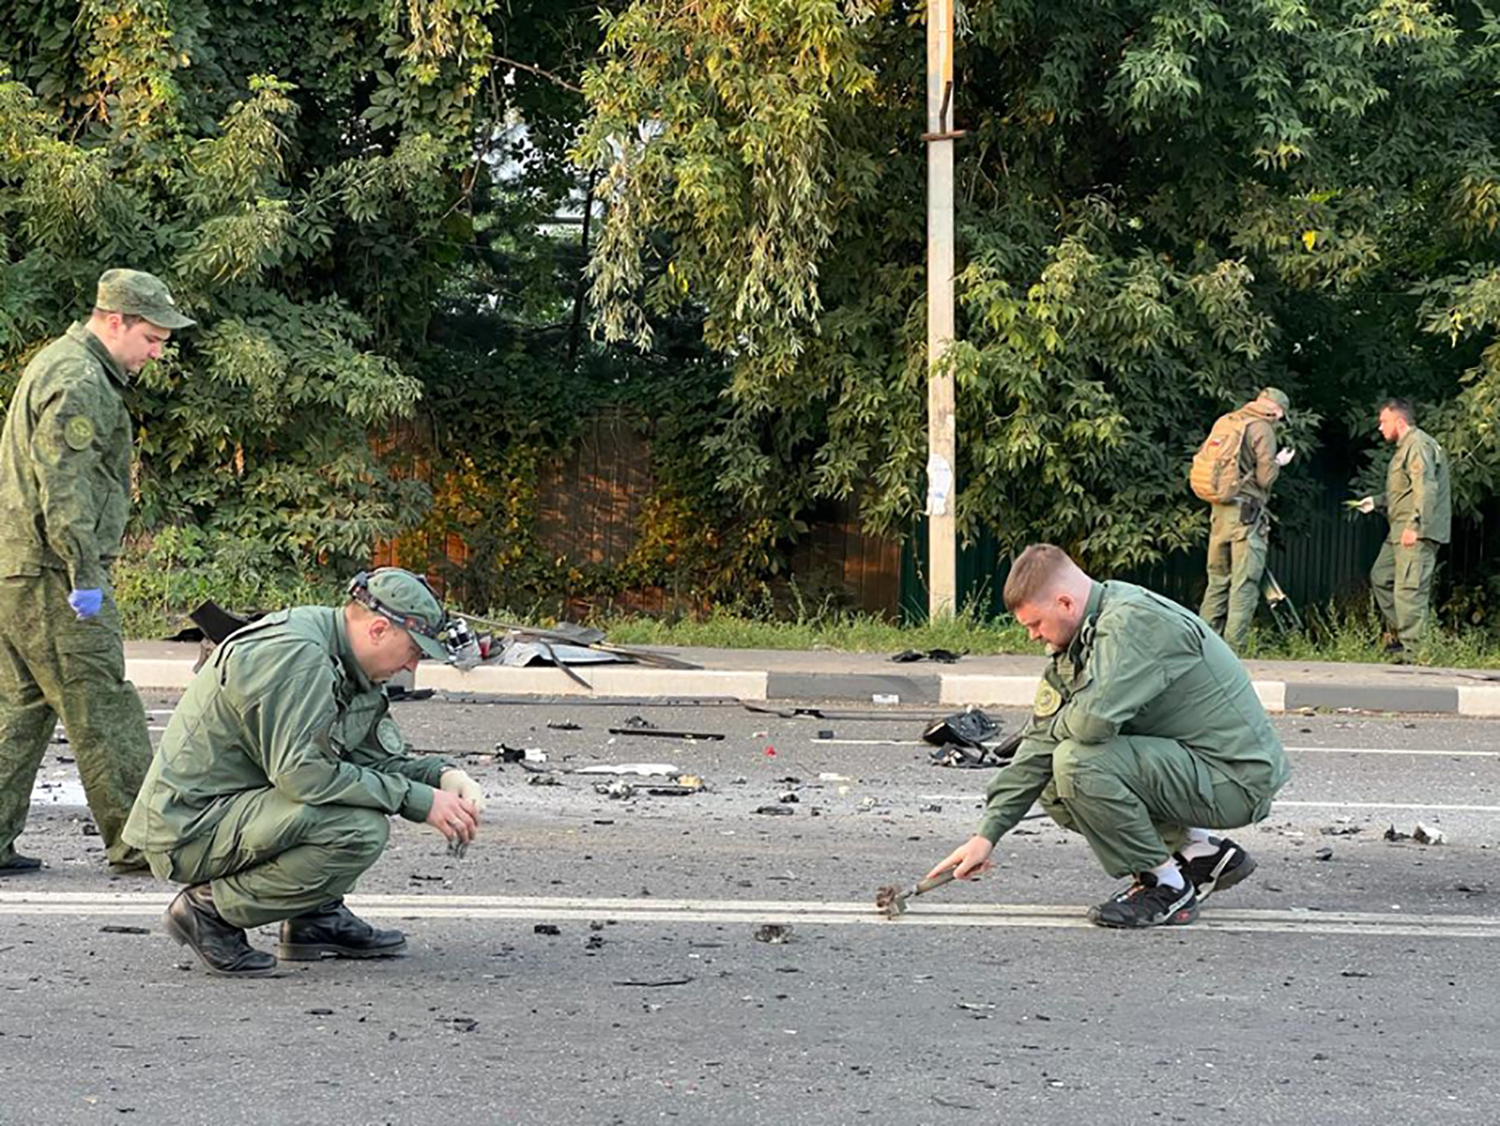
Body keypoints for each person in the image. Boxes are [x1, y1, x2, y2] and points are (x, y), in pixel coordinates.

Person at [122, 568, 487, 977]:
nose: (413, 665)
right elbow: (304, 776)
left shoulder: (349, 660)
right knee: (356, 829)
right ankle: (209, 911)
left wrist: (443, 777)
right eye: (414, 650)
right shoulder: (299, 656)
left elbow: (370, 760)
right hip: (190, 827)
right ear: (379, 629)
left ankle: (314, 918)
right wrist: (416, 801)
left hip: (238, 809)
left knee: (353, 804)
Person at [928, 544, 1290, 928]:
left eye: (1035, 624)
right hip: (1194, 766)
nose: (1032, 636)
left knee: (1077, 761)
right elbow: (1039, 742)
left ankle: (1165, 886)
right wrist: (986, 835)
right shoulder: (1081, 637)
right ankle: (1198, 852)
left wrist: (1056, 729)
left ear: (1065, 603)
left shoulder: (1132, 625)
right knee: (1051, 775)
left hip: (1235, 778)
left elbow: (1089, 725)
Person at [0, 269, 194, 877]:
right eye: (153, 337)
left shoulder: (60, 364)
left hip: (20, 568)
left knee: (22, 709)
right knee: (103, 705)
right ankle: (142, 841)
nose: (157, 352)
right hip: (55, 574)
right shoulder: (81, 379)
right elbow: (66, 486)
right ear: (116, 321)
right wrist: (84, 573)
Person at [1195, 387, 1295, 652]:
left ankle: (1205, 648)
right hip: (1246, 515)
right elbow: (1265, 478)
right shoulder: (1262, 429)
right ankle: (1232, 651)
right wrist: (1277, 463)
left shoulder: (1226, 421)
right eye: (1280, 416)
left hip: (1219, 511)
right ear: (1276, 410)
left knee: (1217, 580)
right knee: (1245, 582)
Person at [1352, 399, 1450, 663]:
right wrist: (1377, 501)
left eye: (1384, 421)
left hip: (1412, 530)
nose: (1380, 427)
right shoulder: (1406, 447)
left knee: (1409, 589)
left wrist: (1415, 526)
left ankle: (1414, 654)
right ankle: (1401, 637)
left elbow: (1426, 489)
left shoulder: (1418, 445)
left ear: (1400, 421)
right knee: (1382, 577)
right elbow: (1405, 490)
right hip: (1398, 529)